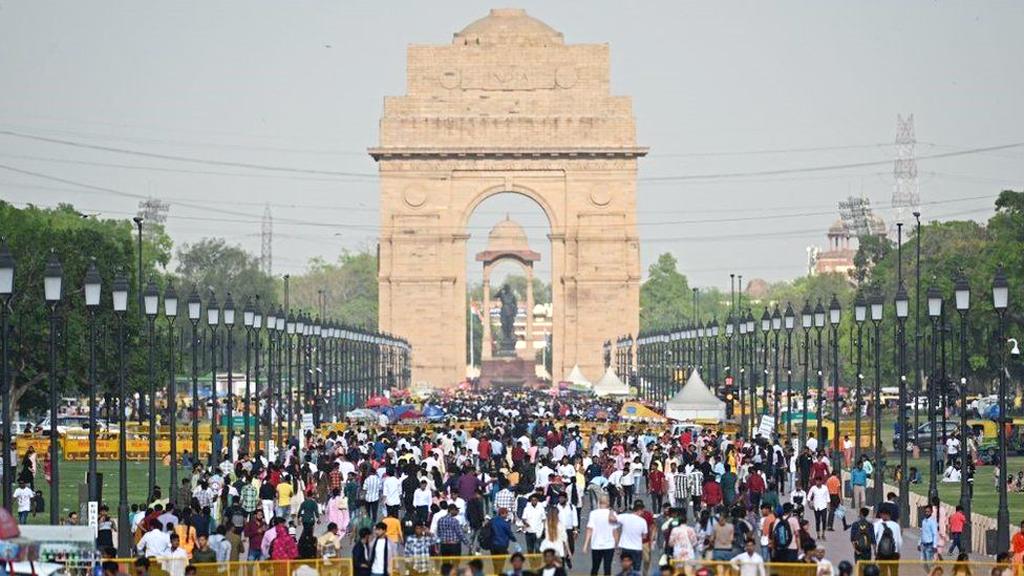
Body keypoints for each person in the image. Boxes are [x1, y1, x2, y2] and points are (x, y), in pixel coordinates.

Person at [584, 495, 618, 576]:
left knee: (595, 567)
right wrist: (617, 545)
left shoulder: (593, 513)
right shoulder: (613, 514)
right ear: (608, 503)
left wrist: (585, 545)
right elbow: (615, 531)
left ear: (599, 503)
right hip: (609, 545)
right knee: (607, 568)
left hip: (596, 544)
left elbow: (589, 529)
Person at [616, 500, 648, 569]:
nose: (643, 513)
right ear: (639, 511)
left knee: (626, 568)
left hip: (625, 547)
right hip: (637, 548)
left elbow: (612, 518)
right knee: (636, 569)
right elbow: (644, 536)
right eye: (642, 511)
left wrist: (611, 511)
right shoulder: (643, 521)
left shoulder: (625, 516)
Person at [873, 508, 902, 576]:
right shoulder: (896, 525)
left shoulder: (880, 525)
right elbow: (899, 541)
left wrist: (876, 551)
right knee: (894, 572)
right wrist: (898, 552)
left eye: (882, 515)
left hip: (882, 554)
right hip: (894, 553)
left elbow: (878, 539)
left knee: (883, 572)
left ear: (884, 515)